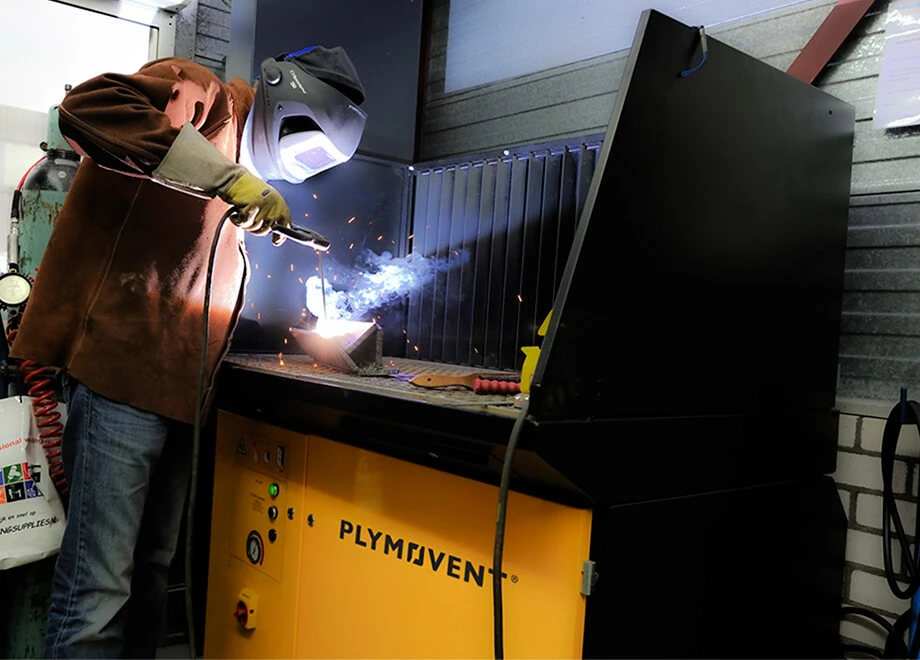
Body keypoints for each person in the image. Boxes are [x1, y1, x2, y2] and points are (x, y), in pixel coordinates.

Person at [9, 46, 366, 658]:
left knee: (151, 576)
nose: (306, 165)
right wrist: (230, 178)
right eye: (311, 147)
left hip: (180, 397)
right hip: (119, 381)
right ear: (288, 103)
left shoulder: (237, 184)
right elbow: (87, 108)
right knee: (97, 594)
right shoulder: (202, 96)